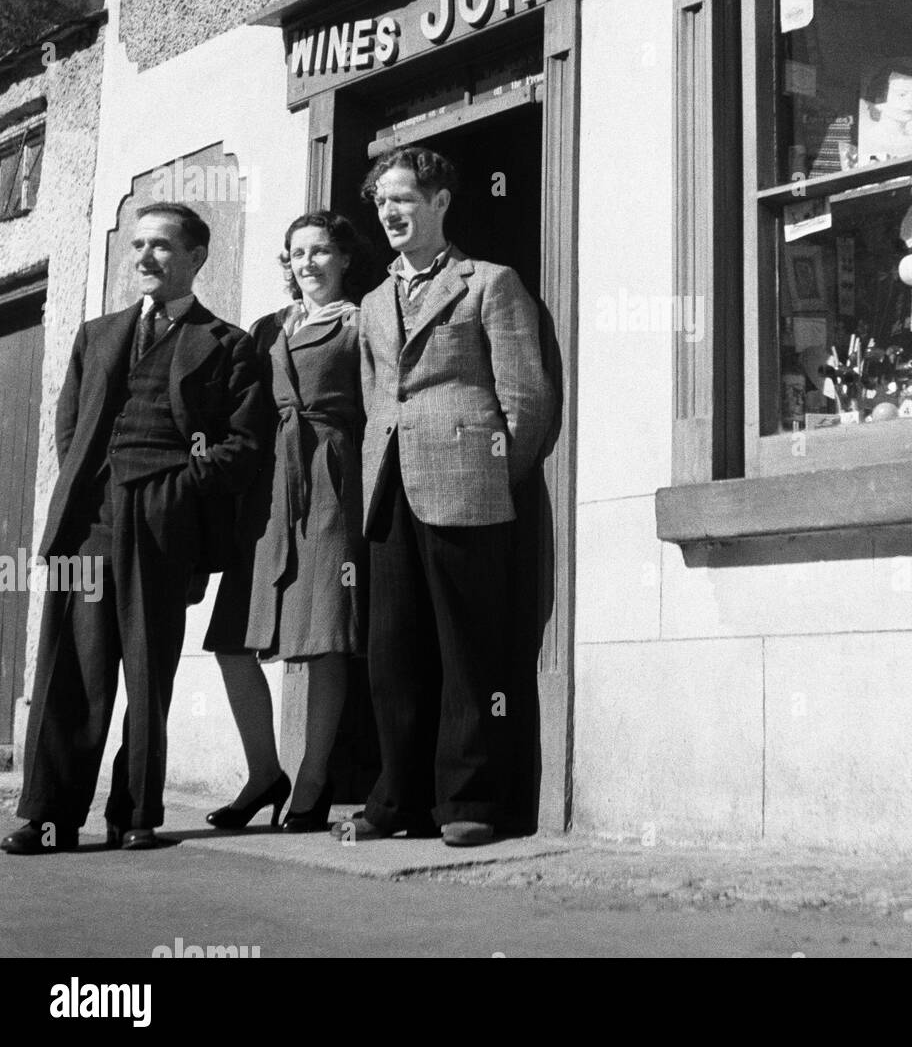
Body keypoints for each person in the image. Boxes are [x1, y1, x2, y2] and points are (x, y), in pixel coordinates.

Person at [2, 203, 268, 855]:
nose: (145, 257)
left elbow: (246, 445)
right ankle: (48, 815)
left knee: (149, 675)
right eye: (138, 245)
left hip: (164, 527)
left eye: (161, 246)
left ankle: (134, 816)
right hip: (89, 525)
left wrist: (177, 490)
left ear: (196, 257)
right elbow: (70, 428)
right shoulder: (97, 336)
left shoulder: (228, 344)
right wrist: (94, 493)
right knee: (71, 671)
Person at [333, 145, 553, 847]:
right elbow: (376, 399)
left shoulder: (490, 282)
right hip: (390, 485)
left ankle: (470, 802)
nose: (390, 213)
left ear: (439, 203)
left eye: (402, 199)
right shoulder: (369, 303)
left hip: (467, 484)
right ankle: (395, 799)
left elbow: (527, 400)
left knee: (470, 652)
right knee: (391, 649)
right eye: (381, 203)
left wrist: (489, 473)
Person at [203, 212, 370, 833]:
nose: (308, 263)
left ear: (344, 258)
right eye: (297, 253)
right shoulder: (266, 328)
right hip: (266, 490)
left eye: (322, 251)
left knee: (325, 636)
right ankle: (263, 774)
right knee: (231, 642)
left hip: (332, 478)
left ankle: (313, 781)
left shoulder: (363, 321)